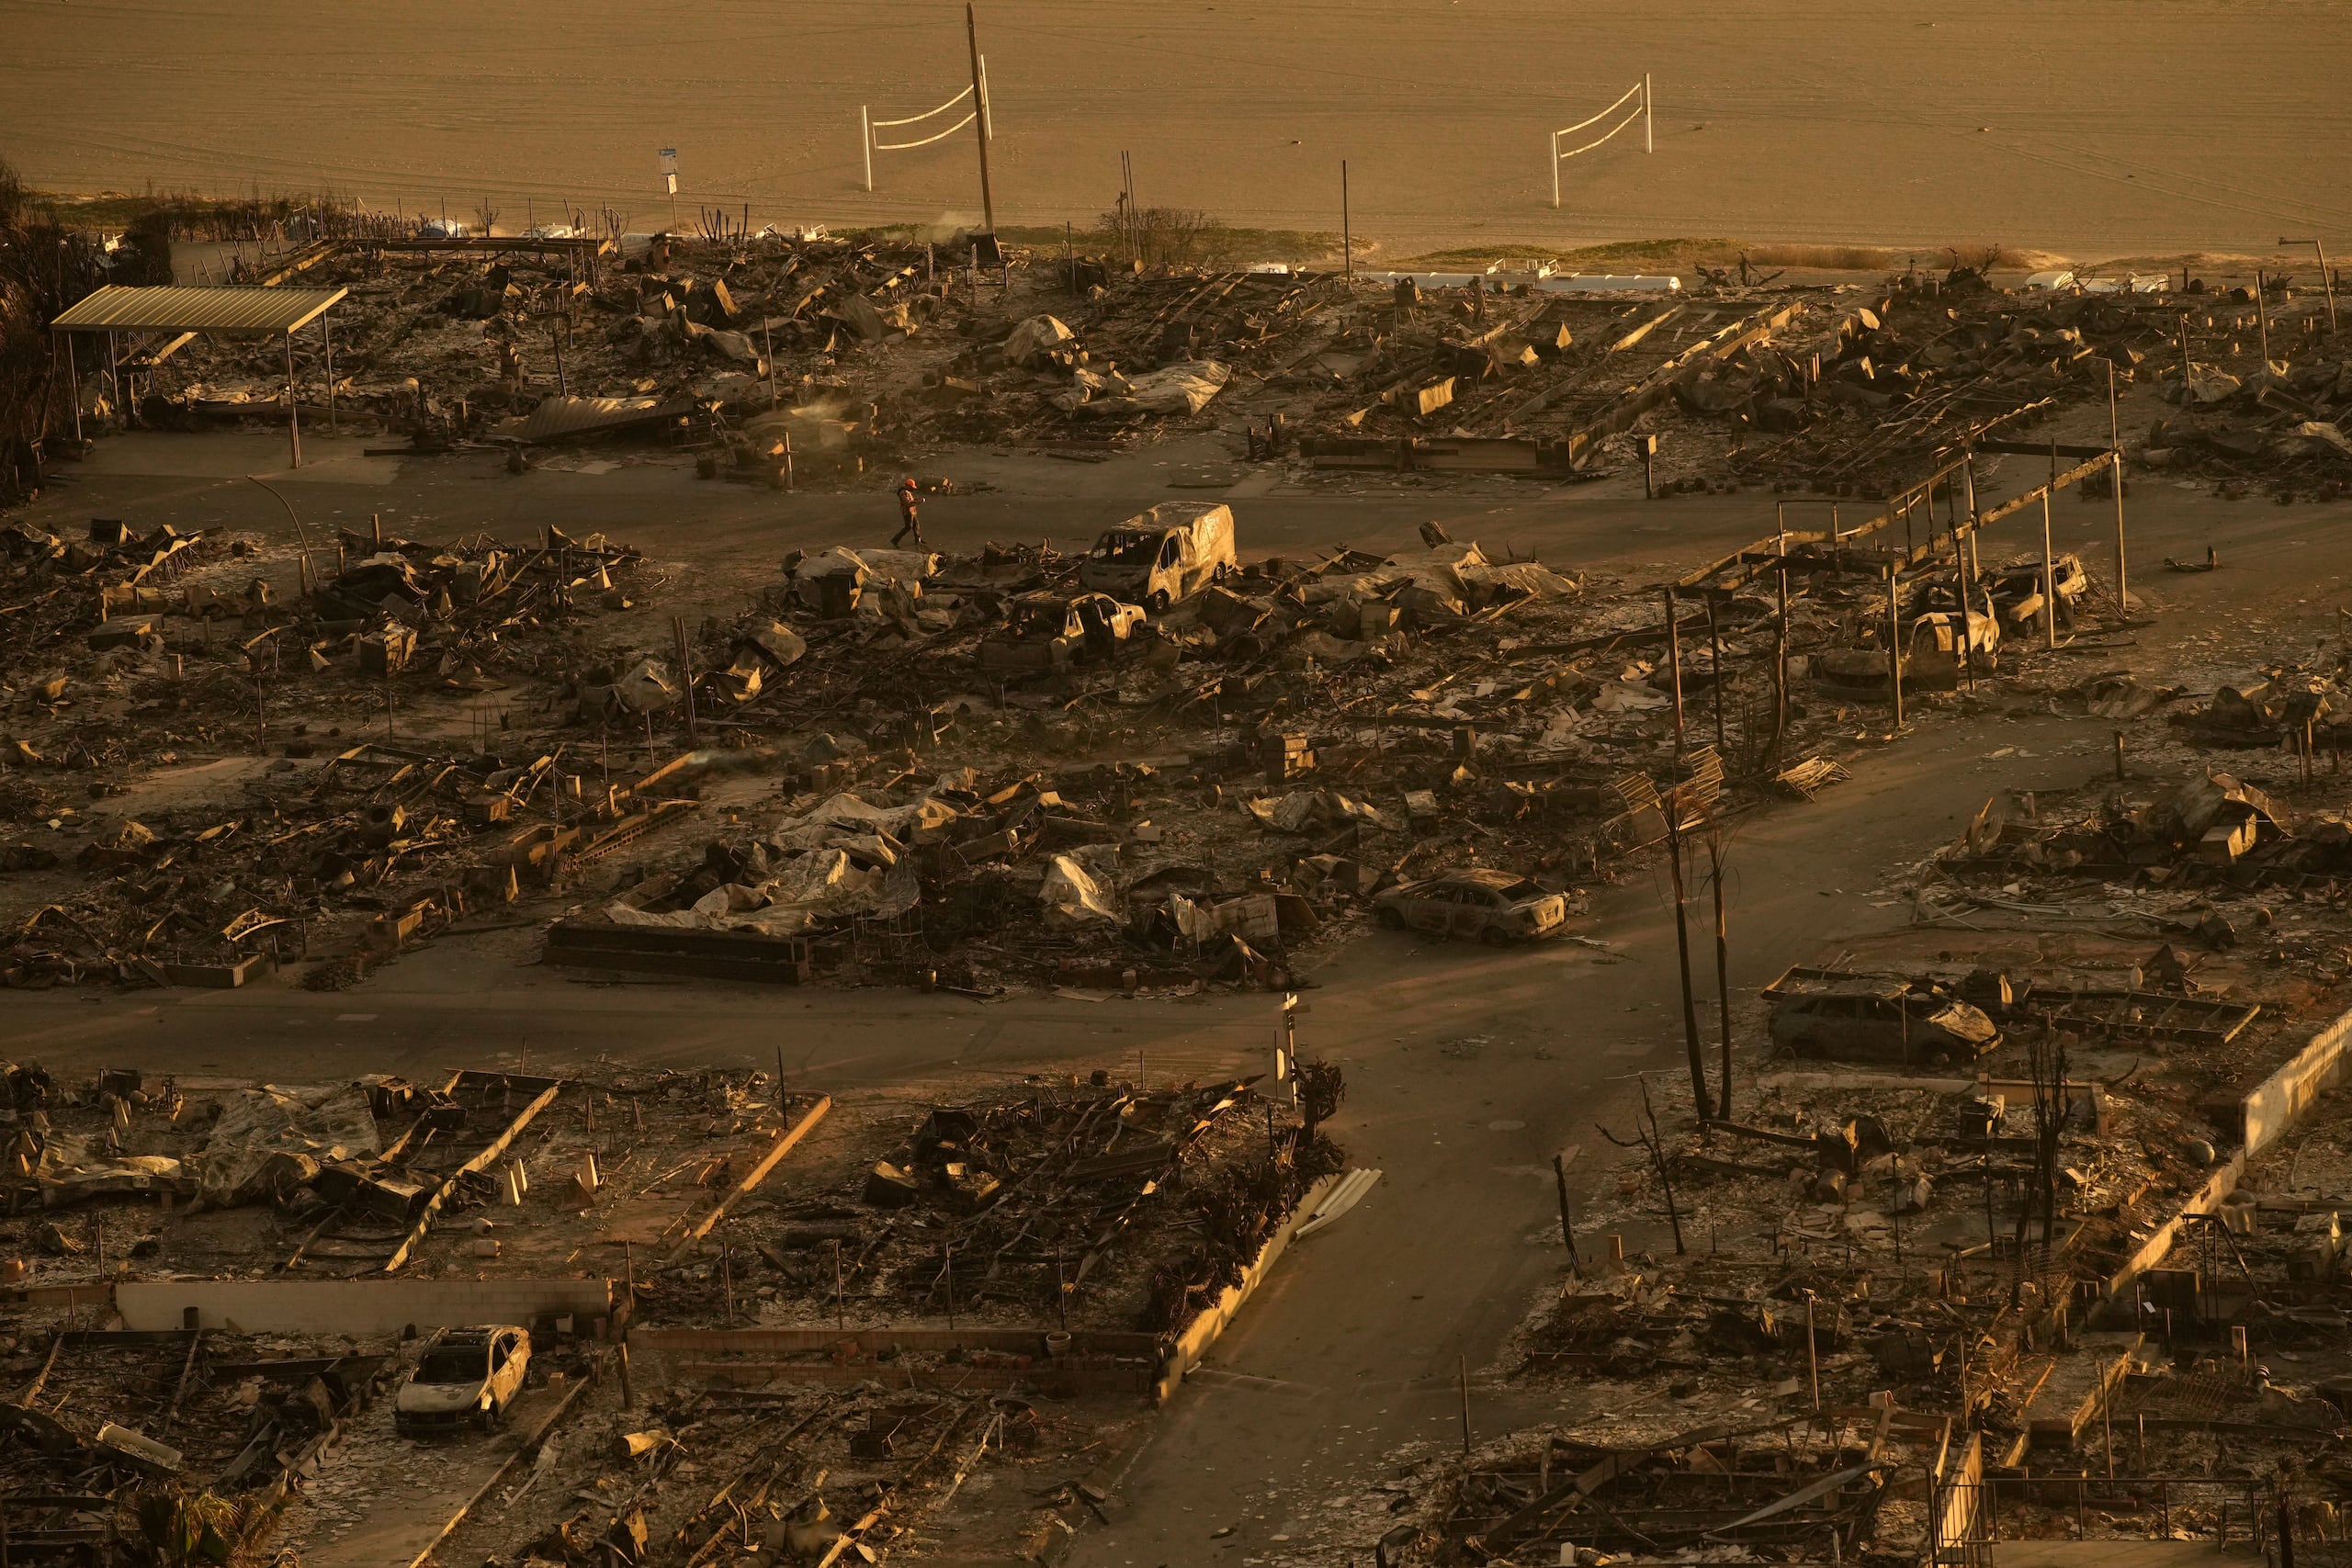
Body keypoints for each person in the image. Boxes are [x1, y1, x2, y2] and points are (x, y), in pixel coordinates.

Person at [892, 478, 926, 548]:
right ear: (907, 486)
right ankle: (895, 540)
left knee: (916, 525)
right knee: (908, 527)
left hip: (912, 511)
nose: (912, 489)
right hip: (907, 512)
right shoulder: (903, 493)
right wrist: (919, 501)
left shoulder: (907, 492)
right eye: (911, 487)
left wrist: (917, 500)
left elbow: (911, 501)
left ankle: (918, 540)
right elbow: (908, 504)